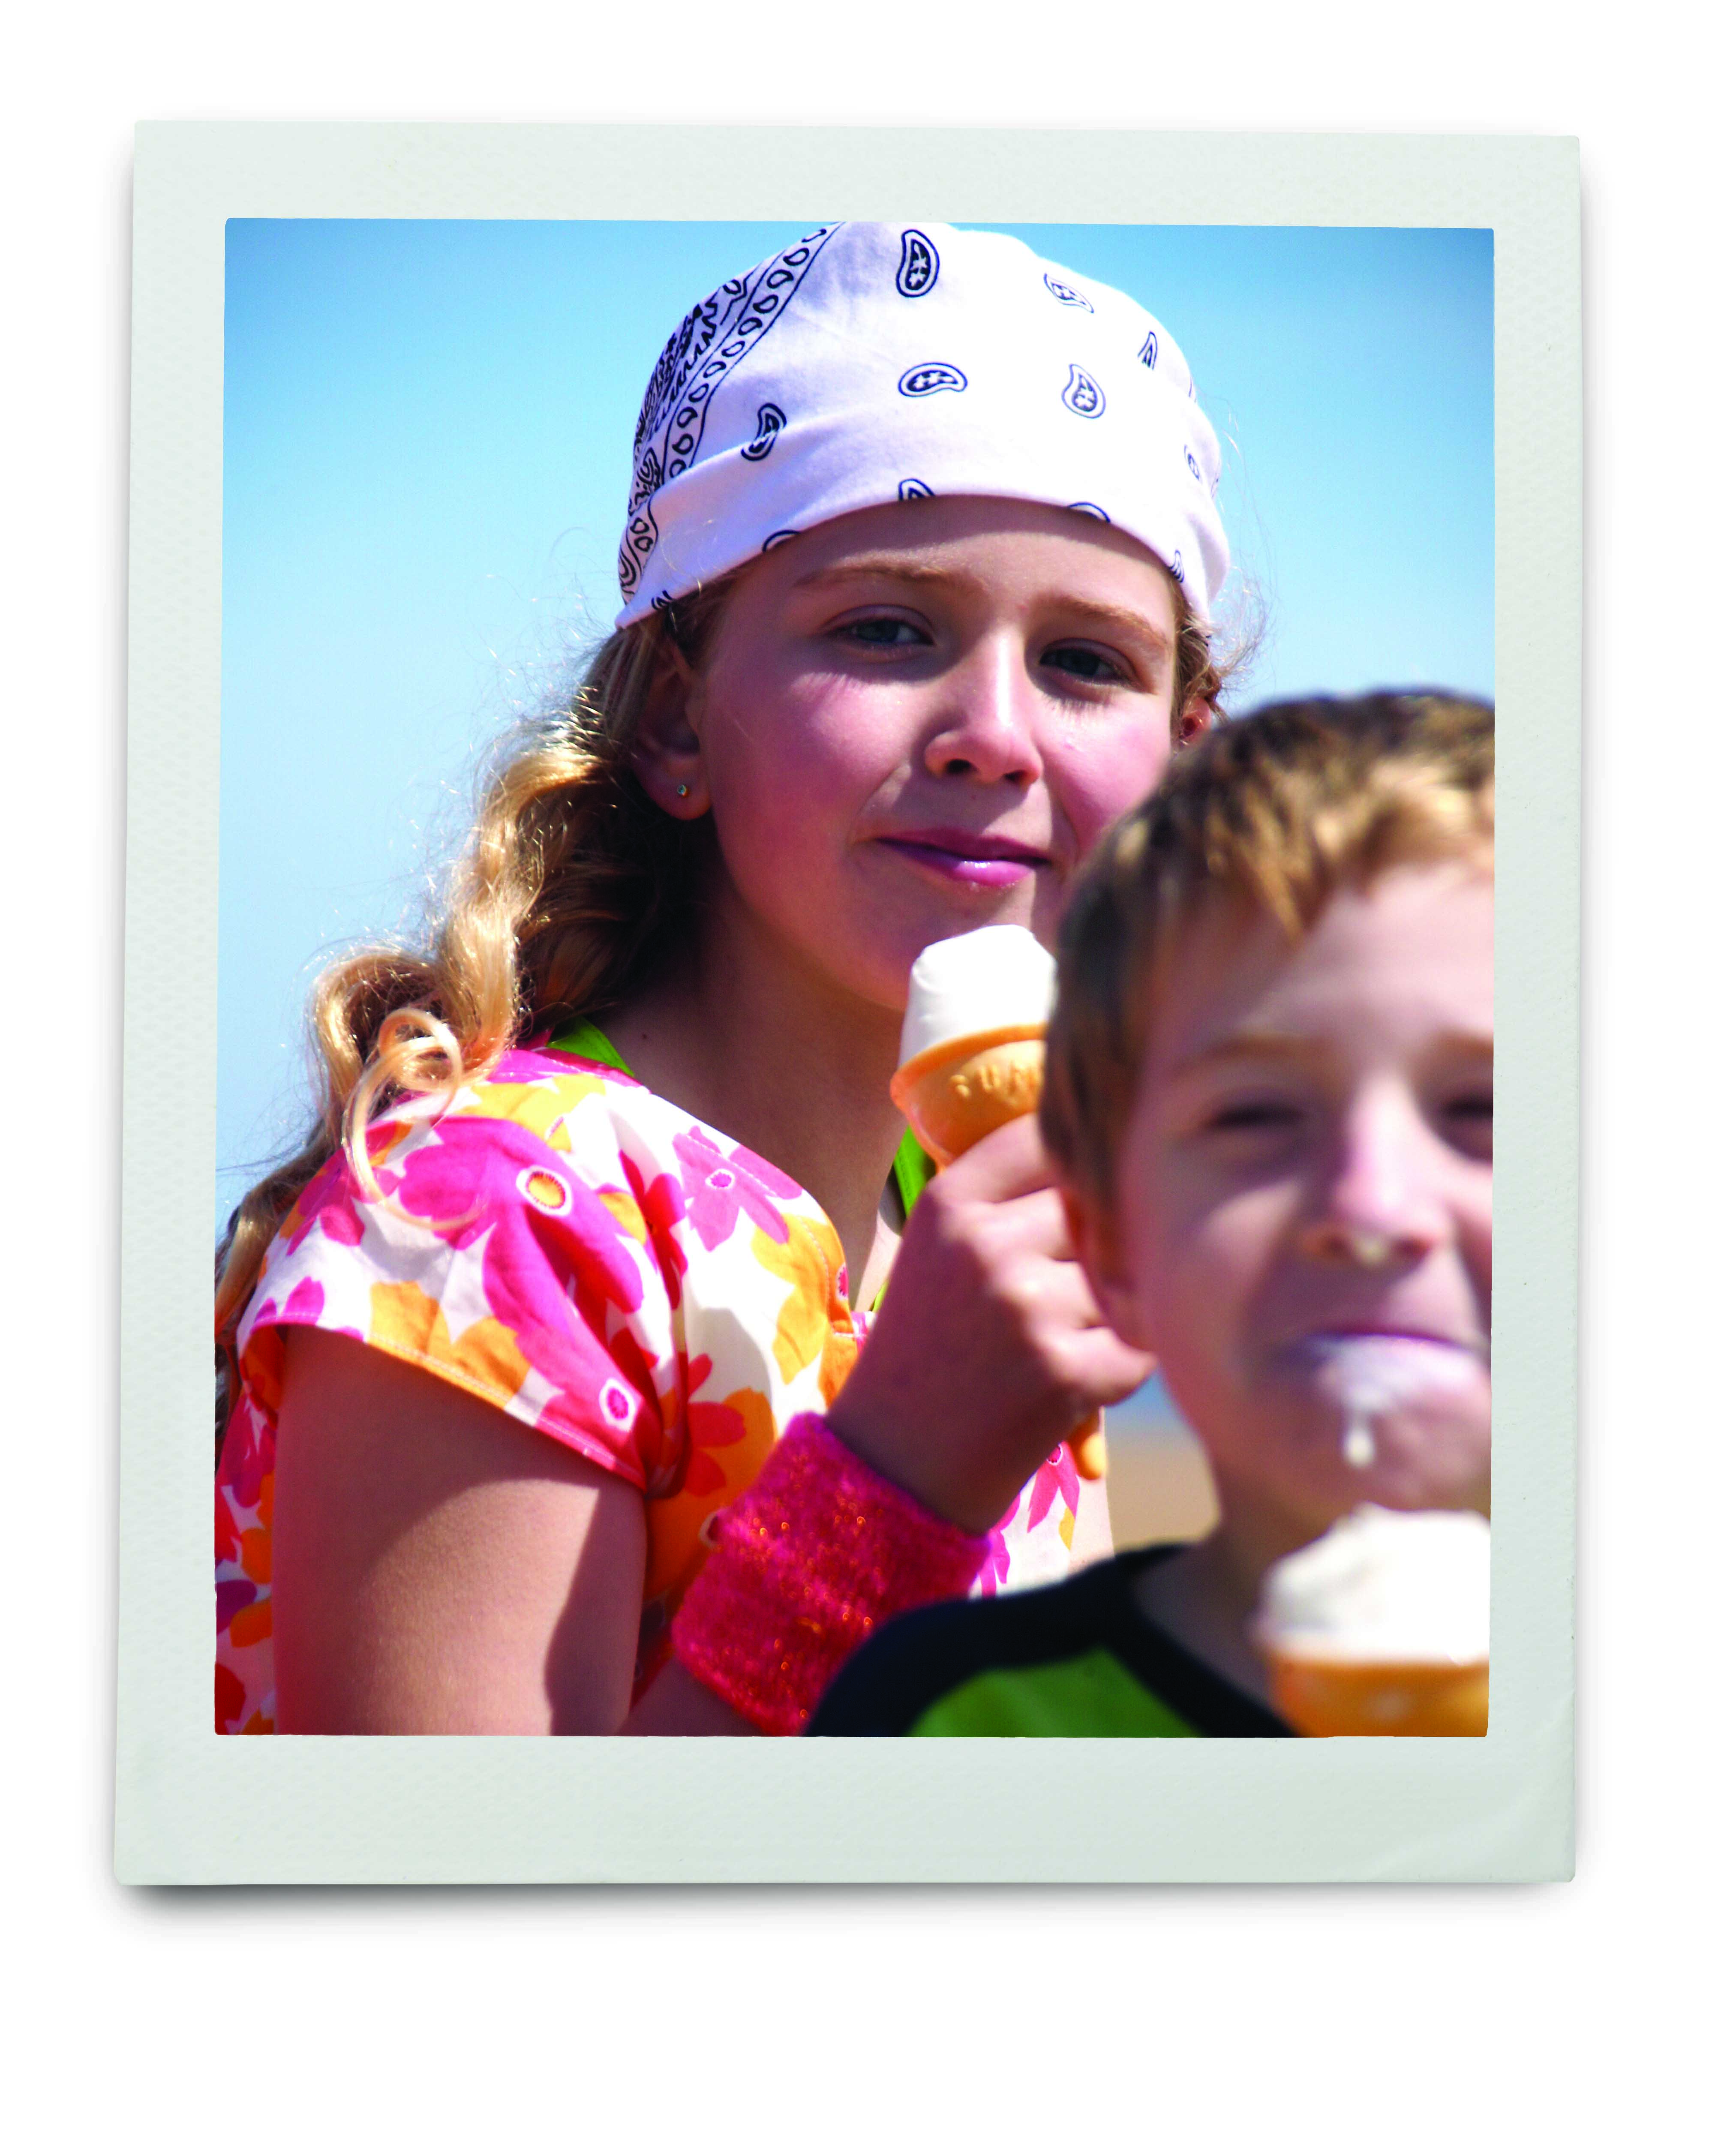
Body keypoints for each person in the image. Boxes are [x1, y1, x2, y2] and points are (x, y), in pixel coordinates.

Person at [214, 221, 1235, 1735]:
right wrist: (899, 1477)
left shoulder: (946, 1217)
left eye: (1087, 663)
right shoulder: (494, 1212)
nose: (994, 735)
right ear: (678, 723)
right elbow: (454, 1933)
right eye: (886, 630)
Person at [811, 693, 1493, 1736]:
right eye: (1257, 1115)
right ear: (1108, 1239)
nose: (1372, 1205)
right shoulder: (946, 1726)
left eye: (1485, 1110)